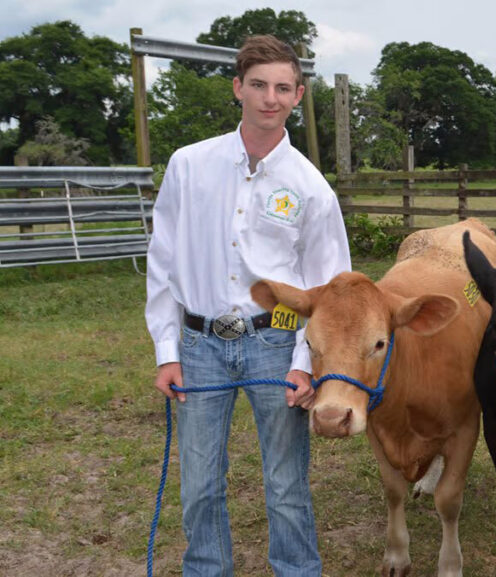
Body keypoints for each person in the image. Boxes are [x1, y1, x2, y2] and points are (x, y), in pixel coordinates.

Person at [145, 35, 350, 577]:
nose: (270, 98)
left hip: (275, 344)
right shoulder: (189, 166)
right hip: (198, 345)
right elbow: (163, 260)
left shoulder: (311, 188)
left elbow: (327, 291)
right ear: (237, 87)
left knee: (286, 484)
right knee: (199, 482)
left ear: (299, 95)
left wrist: (305, 364)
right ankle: (207, 569)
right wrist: (168, 351)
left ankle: (297, 570)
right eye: (258, 85)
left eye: (283, 88)